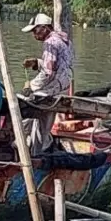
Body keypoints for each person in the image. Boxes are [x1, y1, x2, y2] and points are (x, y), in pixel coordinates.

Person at [20, 12, 73, 155]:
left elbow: (48, 72)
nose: (34, 34)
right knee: (44, 121)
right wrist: (37, 62)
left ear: (44, 28)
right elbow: (56, 65)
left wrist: (30, 86)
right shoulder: (62, 39)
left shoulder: (50, 43)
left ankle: (34, 153)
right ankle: (38, 148)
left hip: (53, 86)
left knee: (30, 107)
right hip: (63, 83)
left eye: (35, 30)